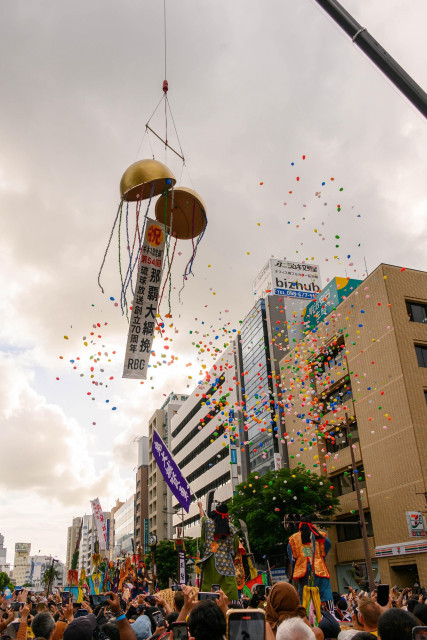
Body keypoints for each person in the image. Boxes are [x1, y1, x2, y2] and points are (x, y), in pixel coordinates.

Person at [196, 500, 239, 600]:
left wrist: (200, 507)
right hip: (227, 563)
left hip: (211, 559)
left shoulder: (208, 524)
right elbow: (235, 547)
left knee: (209, 588)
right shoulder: (232, 528)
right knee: (229, 590)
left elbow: (202, 518)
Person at [287, 518, 333, 607]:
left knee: (304, 594)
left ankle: (305, 613)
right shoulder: (319, 535)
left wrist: (293, 569)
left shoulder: (294, 538)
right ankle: (329, 611)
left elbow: (291, 557)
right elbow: (328, 544)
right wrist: (323, 557)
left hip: (303, 570)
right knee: (325, 591)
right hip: (319, 567)